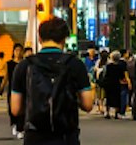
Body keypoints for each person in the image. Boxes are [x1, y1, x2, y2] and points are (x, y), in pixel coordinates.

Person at [9, 16, 94, 145]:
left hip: (34, 136)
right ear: (64, 39)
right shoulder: (75, 64)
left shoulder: (24, 66)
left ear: (39, 38)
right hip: (66, 136)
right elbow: (87, 105)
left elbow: (15, 109)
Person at [101, 50, 129, 119]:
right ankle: (116, 113)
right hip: (117, 84)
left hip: (108, 83)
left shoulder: (108, 66)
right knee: (117, 98)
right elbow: (122, 76)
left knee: (108, 97)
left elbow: (105, 75)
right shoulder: (120, 67)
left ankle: (107, 112)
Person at [5, 44, 24, 135]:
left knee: (22, 108)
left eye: (20, 50)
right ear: (13, 51)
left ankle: (20, 128)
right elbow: (6, 77)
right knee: (11, 108)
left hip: (23, 88)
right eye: (16, 50)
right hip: (12, 89)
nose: (18, 52)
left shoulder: (25, 63)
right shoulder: (9, 64)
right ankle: (15, 124)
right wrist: (0, 88)